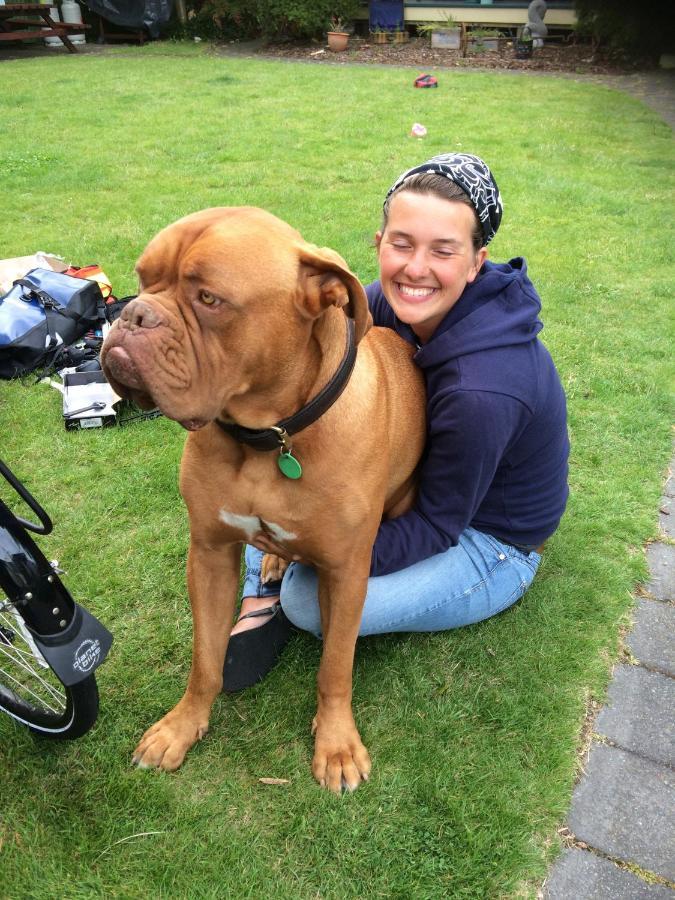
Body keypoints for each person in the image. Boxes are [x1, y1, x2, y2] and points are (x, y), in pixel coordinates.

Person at [222, 152, 569, 692]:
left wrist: (314, 546)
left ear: (478, 261)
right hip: (404, 479)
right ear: (379, 241)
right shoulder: (391, 301)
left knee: (307, 600)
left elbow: (437, 524)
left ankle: (273, 586)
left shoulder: (485, 389)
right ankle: (271, 563)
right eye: (402, 243)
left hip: (486, 539)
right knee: (271, 478)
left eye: (444, 251)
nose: (415, 268)